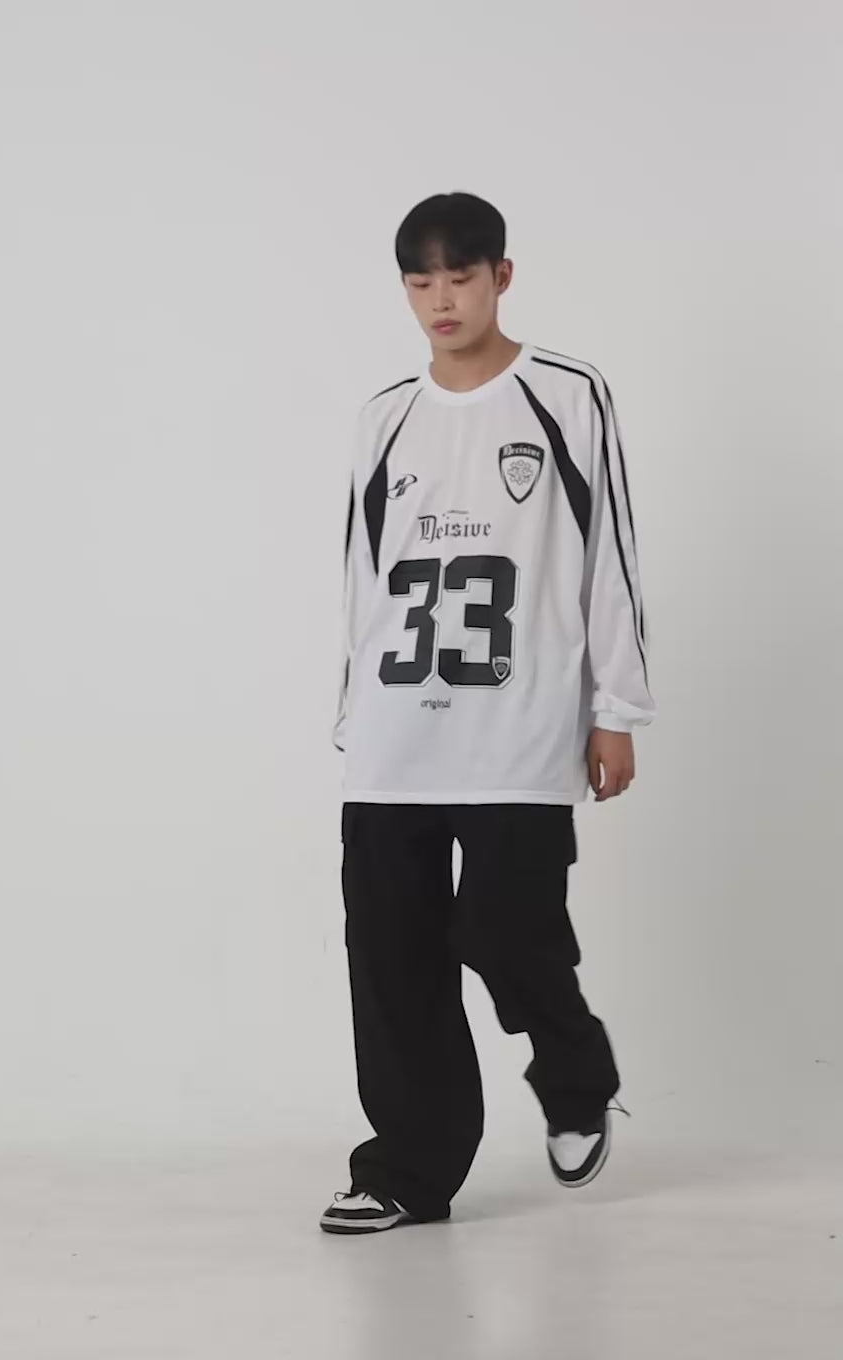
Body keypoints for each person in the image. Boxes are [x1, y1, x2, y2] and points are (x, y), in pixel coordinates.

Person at [320, 192, 656, 1235]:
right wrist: (353, 715)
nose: (441, 300)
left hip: (520, 724)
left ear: (500, 276)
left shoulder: (565, 395)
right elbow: (361, 574)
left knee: (508, 930)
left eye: (459, 276)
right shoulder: (385, 415)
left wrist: (615, 708)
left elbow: (610, 556)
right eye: (420, 281)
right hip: (396, 734)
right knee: (392, 958)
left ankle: (575, 1073)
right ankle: (408, 1172)